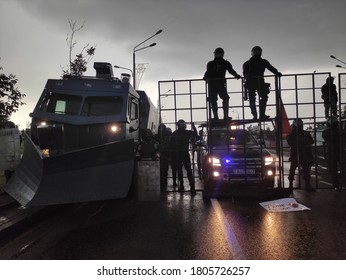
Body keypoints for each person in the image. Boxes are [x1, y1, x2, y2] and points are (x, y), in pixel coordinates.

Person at [243, 46, 282, 120]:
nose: (257, 53)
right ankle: (259, 115)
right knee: (258, 98)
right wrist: (277, 73)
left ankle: (258, 115)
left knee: (256, 98)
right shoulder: (258, 62)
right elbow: (271, 68)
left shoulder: (249, 63)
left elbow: (271, 68)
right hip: (255, 83)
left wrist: (277, 72)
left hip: (256, 83)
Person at [203, 48, 241, 121]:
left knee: (216, 99)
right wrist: (236, 75)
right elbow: (231, 71)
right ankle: (222, 116)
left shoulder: (212, 63)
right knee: (218, 99)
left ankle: (220, 116)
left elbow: (208, 72)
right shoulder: (224, 63)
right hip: (218, 84)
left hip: (215, 84)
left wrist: (236, 75)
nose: (218, 55)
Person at [287, 118, 315, 191]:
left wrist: (301, 141)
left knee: (306, 170)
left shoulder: (305, 133)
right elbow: (290, 142)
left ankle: (307, 185)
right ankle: (290, 185)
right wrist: (301, 141)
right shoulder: (292, 134)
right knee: (292, 170)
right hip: (295, 154)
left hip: (304, 154)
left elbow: (311, 141)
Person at [171, 119, 197, 193]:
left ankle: (182, 186)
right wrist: (193, 126)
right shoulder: (187, 132)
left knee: (180, 170)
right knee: (188, 170)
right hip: (184, 153)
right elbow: (195, 134)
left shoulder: (175, 133)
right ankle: (191, 186)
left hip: (178, 153)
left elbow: (171, 144)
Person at [322, 117, 340, 191]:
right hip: (340, 151)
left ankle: (336, 185)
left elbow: (327, 139)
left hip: (331, 151)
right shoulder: (341, 131)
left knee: (333, 170)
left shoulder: (325, 132)